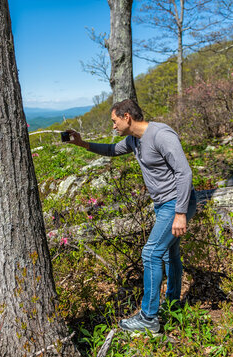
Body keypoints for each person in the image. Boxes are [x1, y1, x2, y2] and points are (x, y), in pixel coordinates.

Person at [66, 99, 196, 333]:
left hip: (176, 204)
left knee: (151, 253)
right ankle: (174, 304)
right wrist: (82, 143)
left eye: (114, 121)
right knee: (169, 253)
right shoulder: (133, 140)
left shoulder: (161, 135)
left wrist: (180, 213)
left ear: (127, 117)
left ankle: (148, 317)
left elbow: (184, 173)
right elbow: (111, 150)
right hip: (164, 205)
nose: (113, 126)